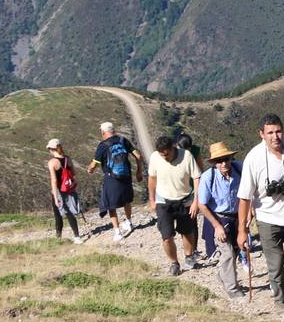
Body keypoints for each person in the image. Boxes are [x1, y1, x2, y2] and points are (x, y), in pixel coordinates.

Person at [238, 114, 284, 311]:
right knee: (276, 261)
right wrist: (241, 230)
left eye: (278, 131)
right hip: (268, 217)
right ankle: (280, 300)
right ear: (261, 134)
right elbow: (245, 196)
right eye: (270, 132)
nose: (275, 136)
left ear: (283, 130)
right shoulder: (253, 159)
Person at [197, 141, 246, 298]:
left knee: (237, 249)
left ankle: (224, 276)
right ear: (214, 163)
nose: (224, 163)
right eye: (219, 161)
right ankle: (232, 289)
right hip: (219, 218)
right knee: (228, 253)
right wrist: (217, 226)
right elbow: (202, 205)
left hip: (237, 217)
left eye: (226, 159)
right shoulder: (207, 177)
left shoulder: (240, 169)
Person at [148, 135, 202, 276]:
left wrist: (196, 201)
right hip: (163, 201)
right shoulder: (155, 157)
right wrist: (152, 199)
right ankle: (174, 263)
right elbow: (152, 178)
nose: (165, 157)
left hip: (184, 199)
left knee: (187, 231)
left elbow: (197, 177)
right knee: (166, 235)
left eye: (167, 153)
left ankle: (189, 256)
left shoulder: (187, 156)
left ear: (173, 148)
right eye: (162, 154)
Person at [88, 121, 143, 242]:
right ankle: (129, 222)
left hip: (112, 178)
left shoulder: (103, 145)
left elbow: (94, 165)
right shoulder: (123, 140)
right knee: (126, 200)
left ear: (103, 132)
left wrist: (90, 169)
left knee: (110, 205)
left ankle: (117, 232)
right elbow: (138, 156)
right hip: (126, 175)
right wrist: (139, 171)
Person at [45, 139, 84, 244]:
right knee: (70, 212)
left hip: (59, 190)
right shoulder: (68, 159)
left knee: (58, 215)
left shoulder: (52, 162)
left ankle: (58, 237)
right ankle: (77, 236)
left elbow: (54, 180)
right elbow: (74, 174)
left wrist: (55, 195)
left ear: (51, 149)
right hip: (69, 189)